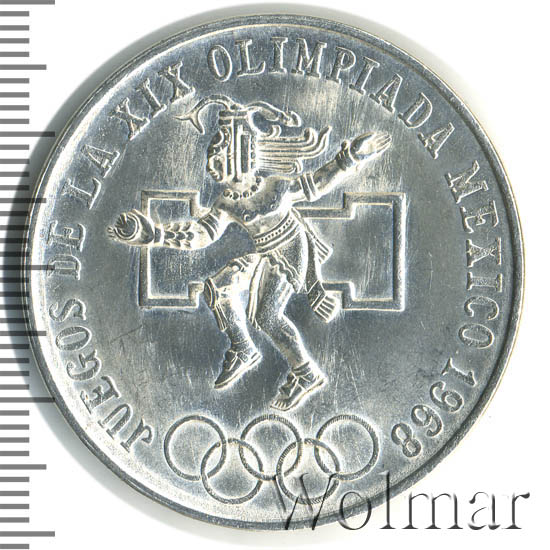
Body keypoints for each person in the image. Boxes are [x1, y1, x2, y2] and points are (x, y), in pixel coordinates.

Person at [109, 96, 391, 411]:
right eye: (212, 159)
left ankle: (306, 373)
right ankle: (243, 349)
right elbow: (203, 234)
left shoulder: (277, 187)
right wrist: (157, 235)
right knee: (219, 287)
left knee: (267, 317)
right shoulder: (226, 203)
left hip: (291, 253)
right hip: (264, 255)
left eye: (217, 157)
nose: (211, 166)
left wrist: (350, 157)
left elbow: (318, 182)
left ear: (240, 153)